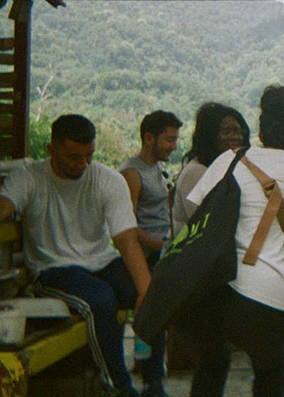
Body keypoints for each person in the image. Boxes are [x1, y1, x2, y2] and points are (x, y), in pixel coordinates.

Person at [0, 114, 151, 397]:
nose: (82, 164)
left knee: (155, 292)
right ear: (52, 149)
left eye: (89, 156)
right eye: (73, 157)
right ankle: (119, 387)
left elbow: (125, 239)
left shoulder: (108, 180)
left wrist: (146, 289)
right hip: (54, 269)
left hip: (101, 260)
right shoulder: (30, 177)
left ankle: (154, 383)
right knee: (100, 300)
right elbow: (3, 206)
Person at [179, 85, 284, 397]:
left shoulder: (227, 160)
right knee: (270, 374)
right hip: (268, 297)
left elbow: (195, 219)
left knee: (211, 367)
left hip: (214, 288)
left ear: (259, 130)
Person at [119, 109, 182, 397]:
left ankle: (154, 374)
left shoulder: (156, 169)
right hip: (144, 258)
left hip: (161, 250)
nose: (174, 146)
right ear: (148, 138)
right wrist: (161, 246)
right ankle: (152, 381)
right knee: (154, 313)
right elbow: (127, 226)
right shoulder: (132, 173)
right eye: (169, 140)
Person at [170, 103, 250, 235]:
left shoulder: (225, 170)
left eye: (238, 131)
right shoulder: (196, 173)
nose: (234, 137)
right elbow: (208, 224)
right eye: (226, 132)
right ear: (209, 136)